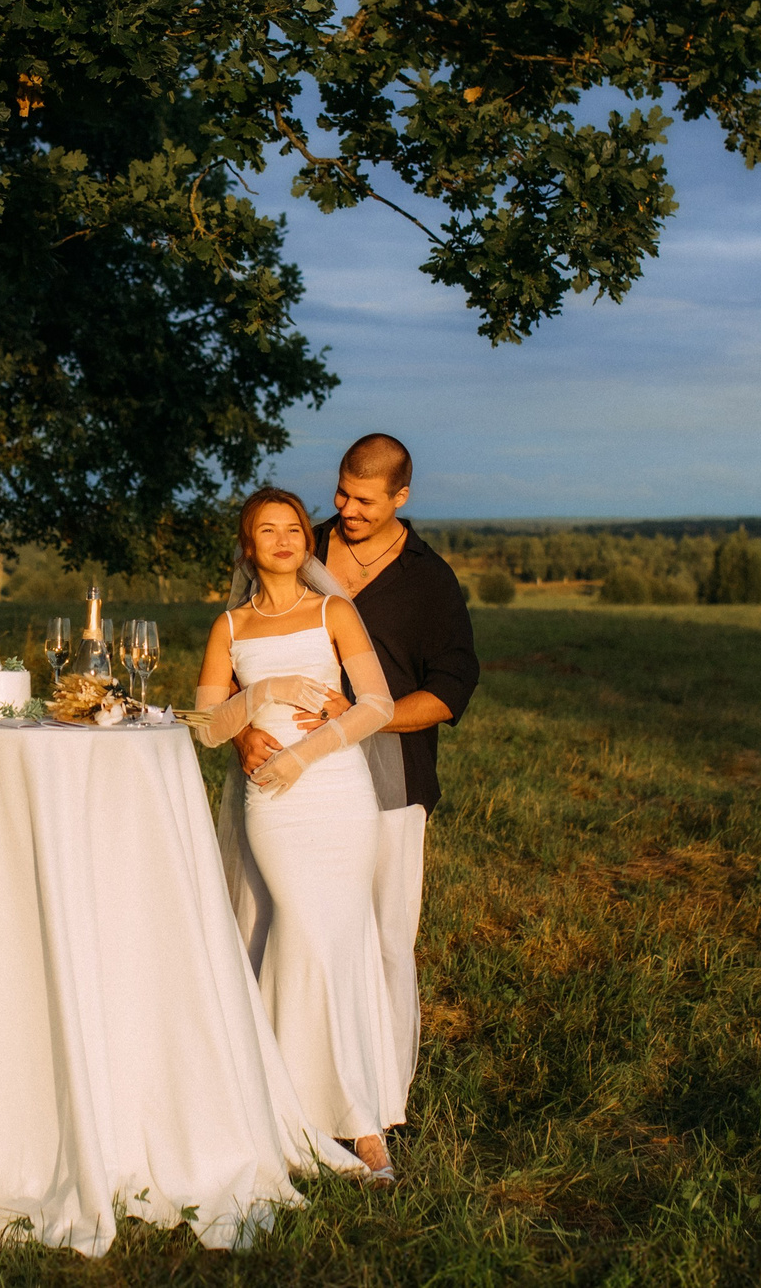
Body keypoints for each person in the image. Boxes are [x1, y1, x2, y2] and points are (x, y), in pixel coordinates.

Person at [234, 433, 478, 1103]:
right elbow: (235, 660)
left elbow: (453, 687)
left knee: (386, 936)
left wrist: (366, 715)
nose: (347, 507)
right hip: (285, 779)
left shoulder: (428, 580)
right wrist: (241, 736)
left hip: (391, 781)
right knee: (274, 919)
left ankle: (383, 1095)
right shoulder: (296, 543)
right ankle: (271, 1086)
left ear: (402, 497)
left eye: (366, 499)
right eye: (341, 491)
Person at [188, 487, 405, 1180]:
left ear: (306, 544)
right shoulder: (229, 626)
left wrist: (306, 753)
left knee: (339, 939)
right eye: (265, 530)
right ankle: (293, 1109)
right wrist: (259, 702)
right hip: (274, 805)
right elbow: (203, 724)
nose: (283, 538)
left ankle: (356, 1116)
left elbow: (378, 704)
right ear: (247, 547)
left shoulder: (333, 610)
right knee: (302, 930)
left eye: (292, 528)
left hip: (339, 793)